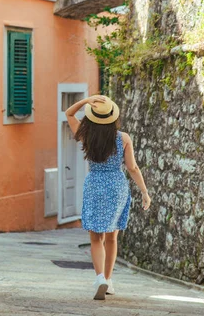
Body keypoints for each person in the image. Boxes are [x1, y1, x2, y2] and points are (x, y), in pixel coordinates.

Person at [65, 95, 151, 300]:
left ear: (92, 117)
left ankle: (100, 278)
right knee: (112, 236)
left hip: (95, 184)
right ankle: (109, 281)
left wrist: (86, 101)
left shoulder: (86, 135)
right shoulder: (123, 138)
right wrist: (144, 192)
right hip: (116, 186)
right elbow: (132, 167)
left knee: (96, 237)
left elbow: (68, 113)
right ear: (113, 117)